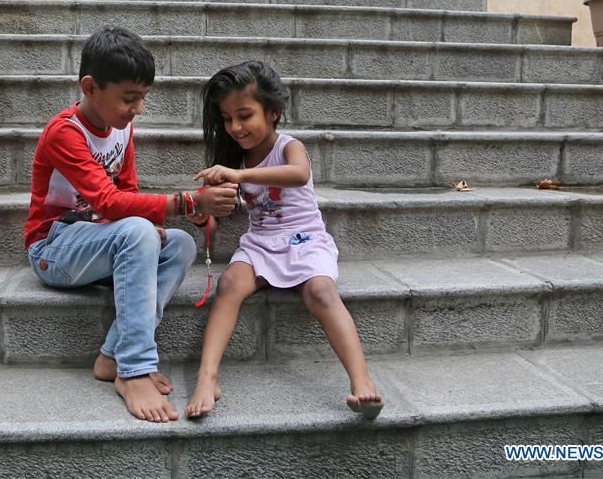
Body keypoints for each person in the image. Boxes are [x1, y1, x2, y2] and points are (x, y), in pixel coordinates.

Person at [24, 27, 239, 423]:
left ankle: (111, 356)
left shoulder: (122, 126)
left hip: (102, 241)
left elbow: (127, 189)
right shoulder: (64, 133)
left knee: (180, 244)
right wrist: (187, 200)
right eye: (129, 98)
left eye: (142, 97)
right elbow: (106, 201)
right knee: (139, 232)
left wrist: (174, 217)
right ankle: (135, 368)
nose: (137, 108)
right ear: (90, 87)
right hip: (53, 249)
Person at [184, 60, 383, 419]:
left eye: (245, 115)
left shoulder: (290, 147)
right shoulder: (232, 159)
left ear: (273, 112)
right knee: (229, 284)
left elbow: (299, 173)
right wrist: (203, 217)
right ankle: (207, 376)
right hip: (260, 242)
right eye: (227, 119)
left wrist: (240, 172)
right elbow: (213, 223)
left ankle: (361, 380)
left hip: (304, 240)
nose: (235, 127)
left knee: (320, 292)